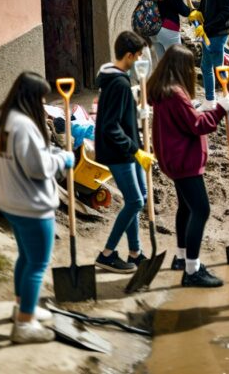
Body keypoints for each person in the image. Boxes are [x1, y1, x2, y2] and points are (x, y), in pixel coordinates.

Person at [0, 72, 74, 344]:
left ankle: (21, 307)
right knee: (37, 263)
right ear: (30, 97)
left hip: (10, 200)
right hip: (31, 205)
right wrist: (64, 160)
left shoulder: (2, 119)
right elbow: (37, 168)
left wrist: (52, 154)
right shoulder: (24, 126)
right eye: (40, 97)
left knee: (25, 258)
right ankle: (25, 325)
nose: (42, 103)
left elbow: (23, 156)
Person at [148, 45, 229, 287]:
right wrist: (220, 110)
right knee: (201, 210)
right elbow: (197, 125)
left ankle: (181, 257)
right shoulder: (175, 93)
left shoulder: (164, 90)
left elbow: (185, 120)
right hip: (184, 162)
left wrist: (195, 108)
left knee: (185, 208)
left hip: (174, 160)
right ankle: (192, 270)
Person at [95, 31, 151, 274]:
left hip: (129, 148)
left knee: (140, 197)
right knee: (135, 201)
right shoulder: (118, 83)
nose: (140, 59)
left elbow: (119, 115)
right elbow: (110, 125)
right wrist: (134, 150)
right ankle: (107, 254)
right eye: (138, 55)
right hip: (118, 152)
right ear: (129, 56)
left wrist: (138, 114)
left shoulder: (117, 78)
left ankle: (135, 253)